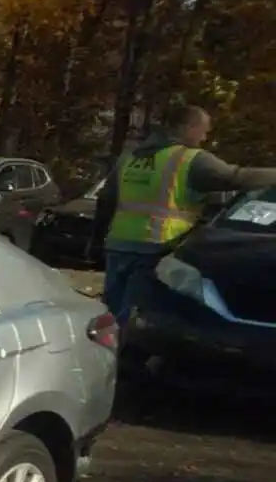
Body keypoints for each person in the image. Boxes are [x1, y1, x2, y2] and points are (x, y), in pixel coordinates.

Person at [94, 105, 276, 322]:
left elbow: (106, 199)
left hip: (119, 245)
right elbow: (236, 177)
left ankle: (102, 353)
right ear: (186, 127)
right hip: (157, 247)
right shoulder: (190, 160)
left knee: (112, 311)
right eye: (203, 131)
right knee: (136, 316)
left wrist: (96, 240)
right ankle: (122, 354)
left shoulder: (130, 156)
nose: (204, 138)